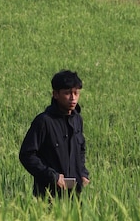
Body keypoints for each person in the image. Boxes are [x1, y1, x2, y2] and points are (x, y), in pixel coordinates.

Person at [19, 70, 90, 198]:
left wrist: (83, 173)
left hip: (74, 195)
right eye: (67, 93)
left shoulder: (77, 120)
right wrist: (52, 176)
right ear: (55, 94)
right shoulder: (44, 121)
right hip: (48, 195)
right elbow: (27, 155)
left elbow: (81, 149)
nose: (73, 98)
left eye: (76, 93)